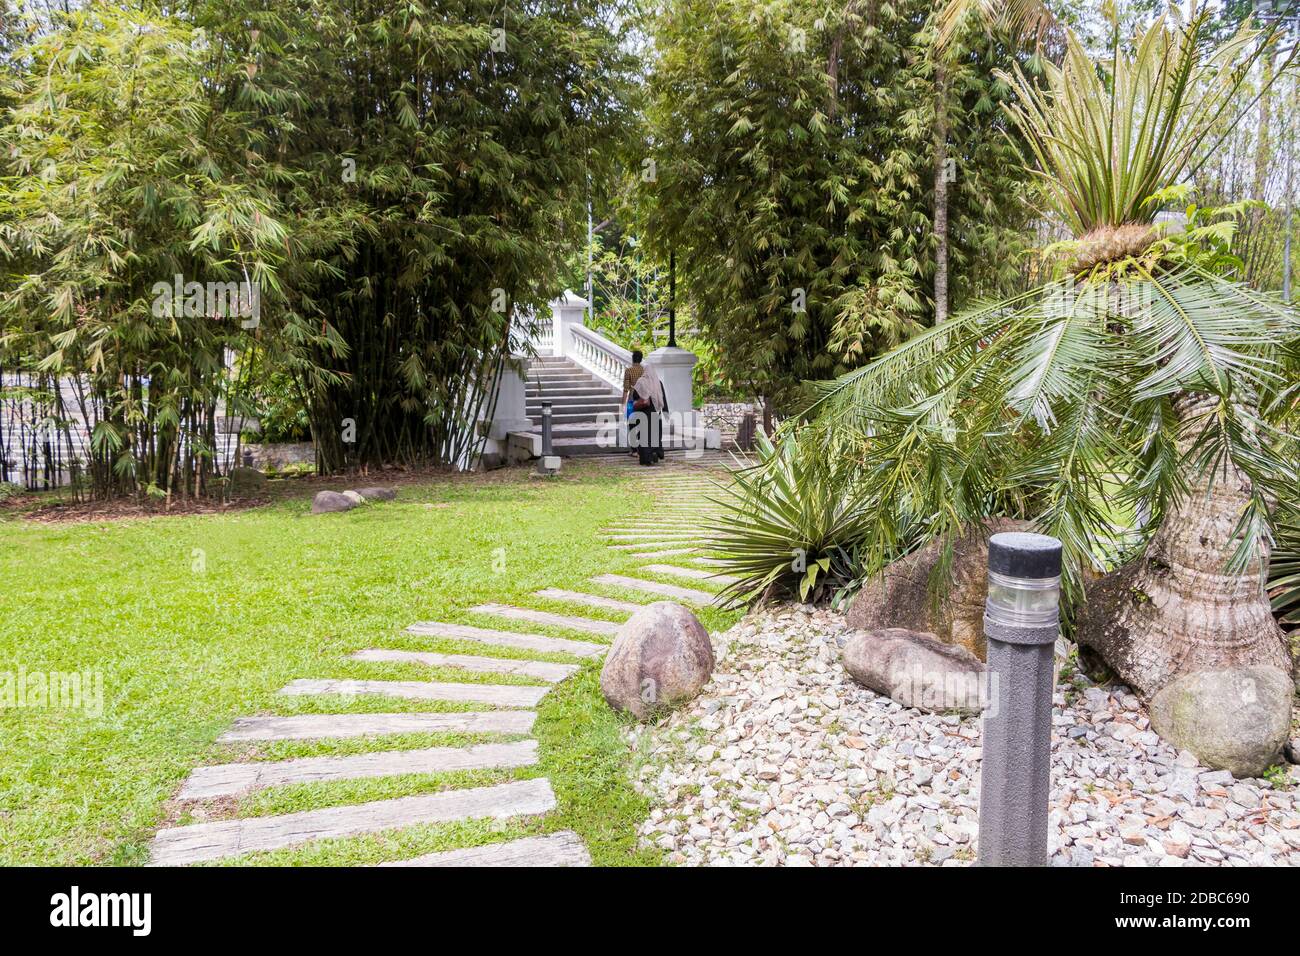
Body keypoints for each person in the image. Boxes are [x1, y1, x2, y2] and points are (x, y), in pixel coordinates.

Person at [630, 360, 668, 465]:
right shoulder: (658, 382)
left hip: (644, 412)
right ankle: (655, 453)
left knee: (644, 435)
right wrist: (665, 412)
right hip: (656, 412)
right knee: (655, 434)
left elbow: (635, 397)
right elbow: (663, 398)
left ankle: (646, 458)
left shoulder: (641, 382)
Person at [621, 350, 644, 455]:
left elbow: (626, 389)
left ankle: (634, 450)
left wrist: (622, 404)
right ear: (641, 359)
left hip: (631, 401)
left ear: (633, 359)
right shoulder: (644, 371)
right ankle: (641, 449)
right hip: (643, 400)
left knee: (632, 424)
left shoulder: (628, 371)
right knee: (641, 424)